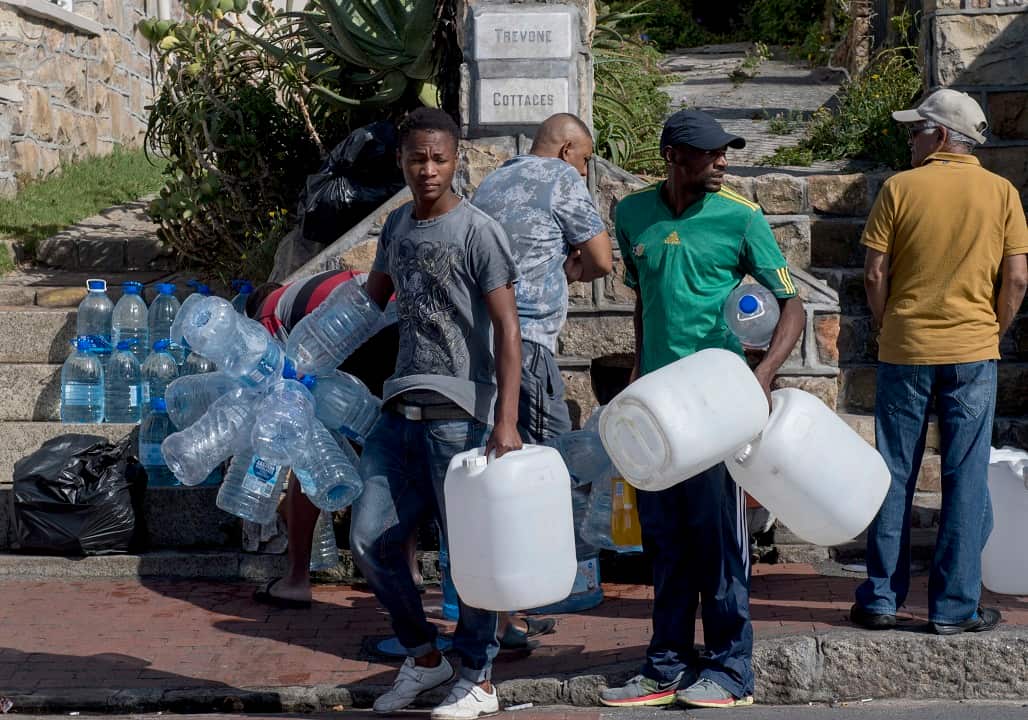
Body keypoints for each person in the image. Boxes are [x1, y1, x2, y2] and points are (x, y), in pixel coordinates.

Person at [599, 110, 804, 710]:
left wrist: (763, 375)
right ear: (673, 156)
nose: (722, 162)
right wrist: (638, 372)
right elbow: (644, 302)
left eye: (725, 153)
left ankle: (730, 670)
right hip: (660, 414)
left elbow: (791, 306)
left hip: (717, 411)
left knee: (719, 546)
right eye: (711, 153)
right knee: (664, 546)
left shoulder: (742, 218)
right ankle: (665, 666)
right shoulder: (631, 213)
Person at [348, 107, 523, 720]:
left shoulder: (479, 231)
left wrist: (506, 418)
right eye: (417, 158)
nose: (428, 169)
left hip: (461, 414)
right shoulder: (396, 226)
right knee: (370, 536)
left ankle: (478, 675)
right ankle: (427, 659)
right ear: (402, 160)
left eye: (439, 158)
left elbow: (508, 329)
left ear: (456, 160)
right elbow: (367, 306)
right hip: (399, 409)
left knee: (468, 552)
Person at [850, 89, 1028, 635]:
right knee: (965, 476)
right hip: (973, 350)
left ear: (942, 137)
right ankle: (955, 609)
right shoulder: (1002, 193)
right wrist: (992, 330)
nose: (911, 140)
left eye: (917, 131)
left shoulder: (900, 189)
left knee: (893, 473)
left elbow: (875, 273)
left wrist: (886, 325)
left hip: (905, 348)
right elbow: (1017, 278)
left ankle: (881, 598)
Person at [471, 112, 613, 623]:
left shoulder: (495, 177)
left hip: (481, 347)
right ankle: (536, 597)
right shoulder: (558, 178)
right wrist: (572, 267)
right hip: (527, 346)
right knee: (545, 468)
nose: (584, 173)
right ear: (567, 149)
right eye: (585, 161)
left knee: (503, 466)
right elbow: (601, 259)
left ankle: (507, 607)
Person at [244, 270, 403, 609]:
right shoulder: (309, 290)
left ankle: (296, 579)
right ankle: (405, 569)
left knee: (310, 448)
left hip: (360, 327)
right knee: (395, 442)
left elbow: (282, 397)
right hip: (402, 317)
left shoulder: (268, 314)